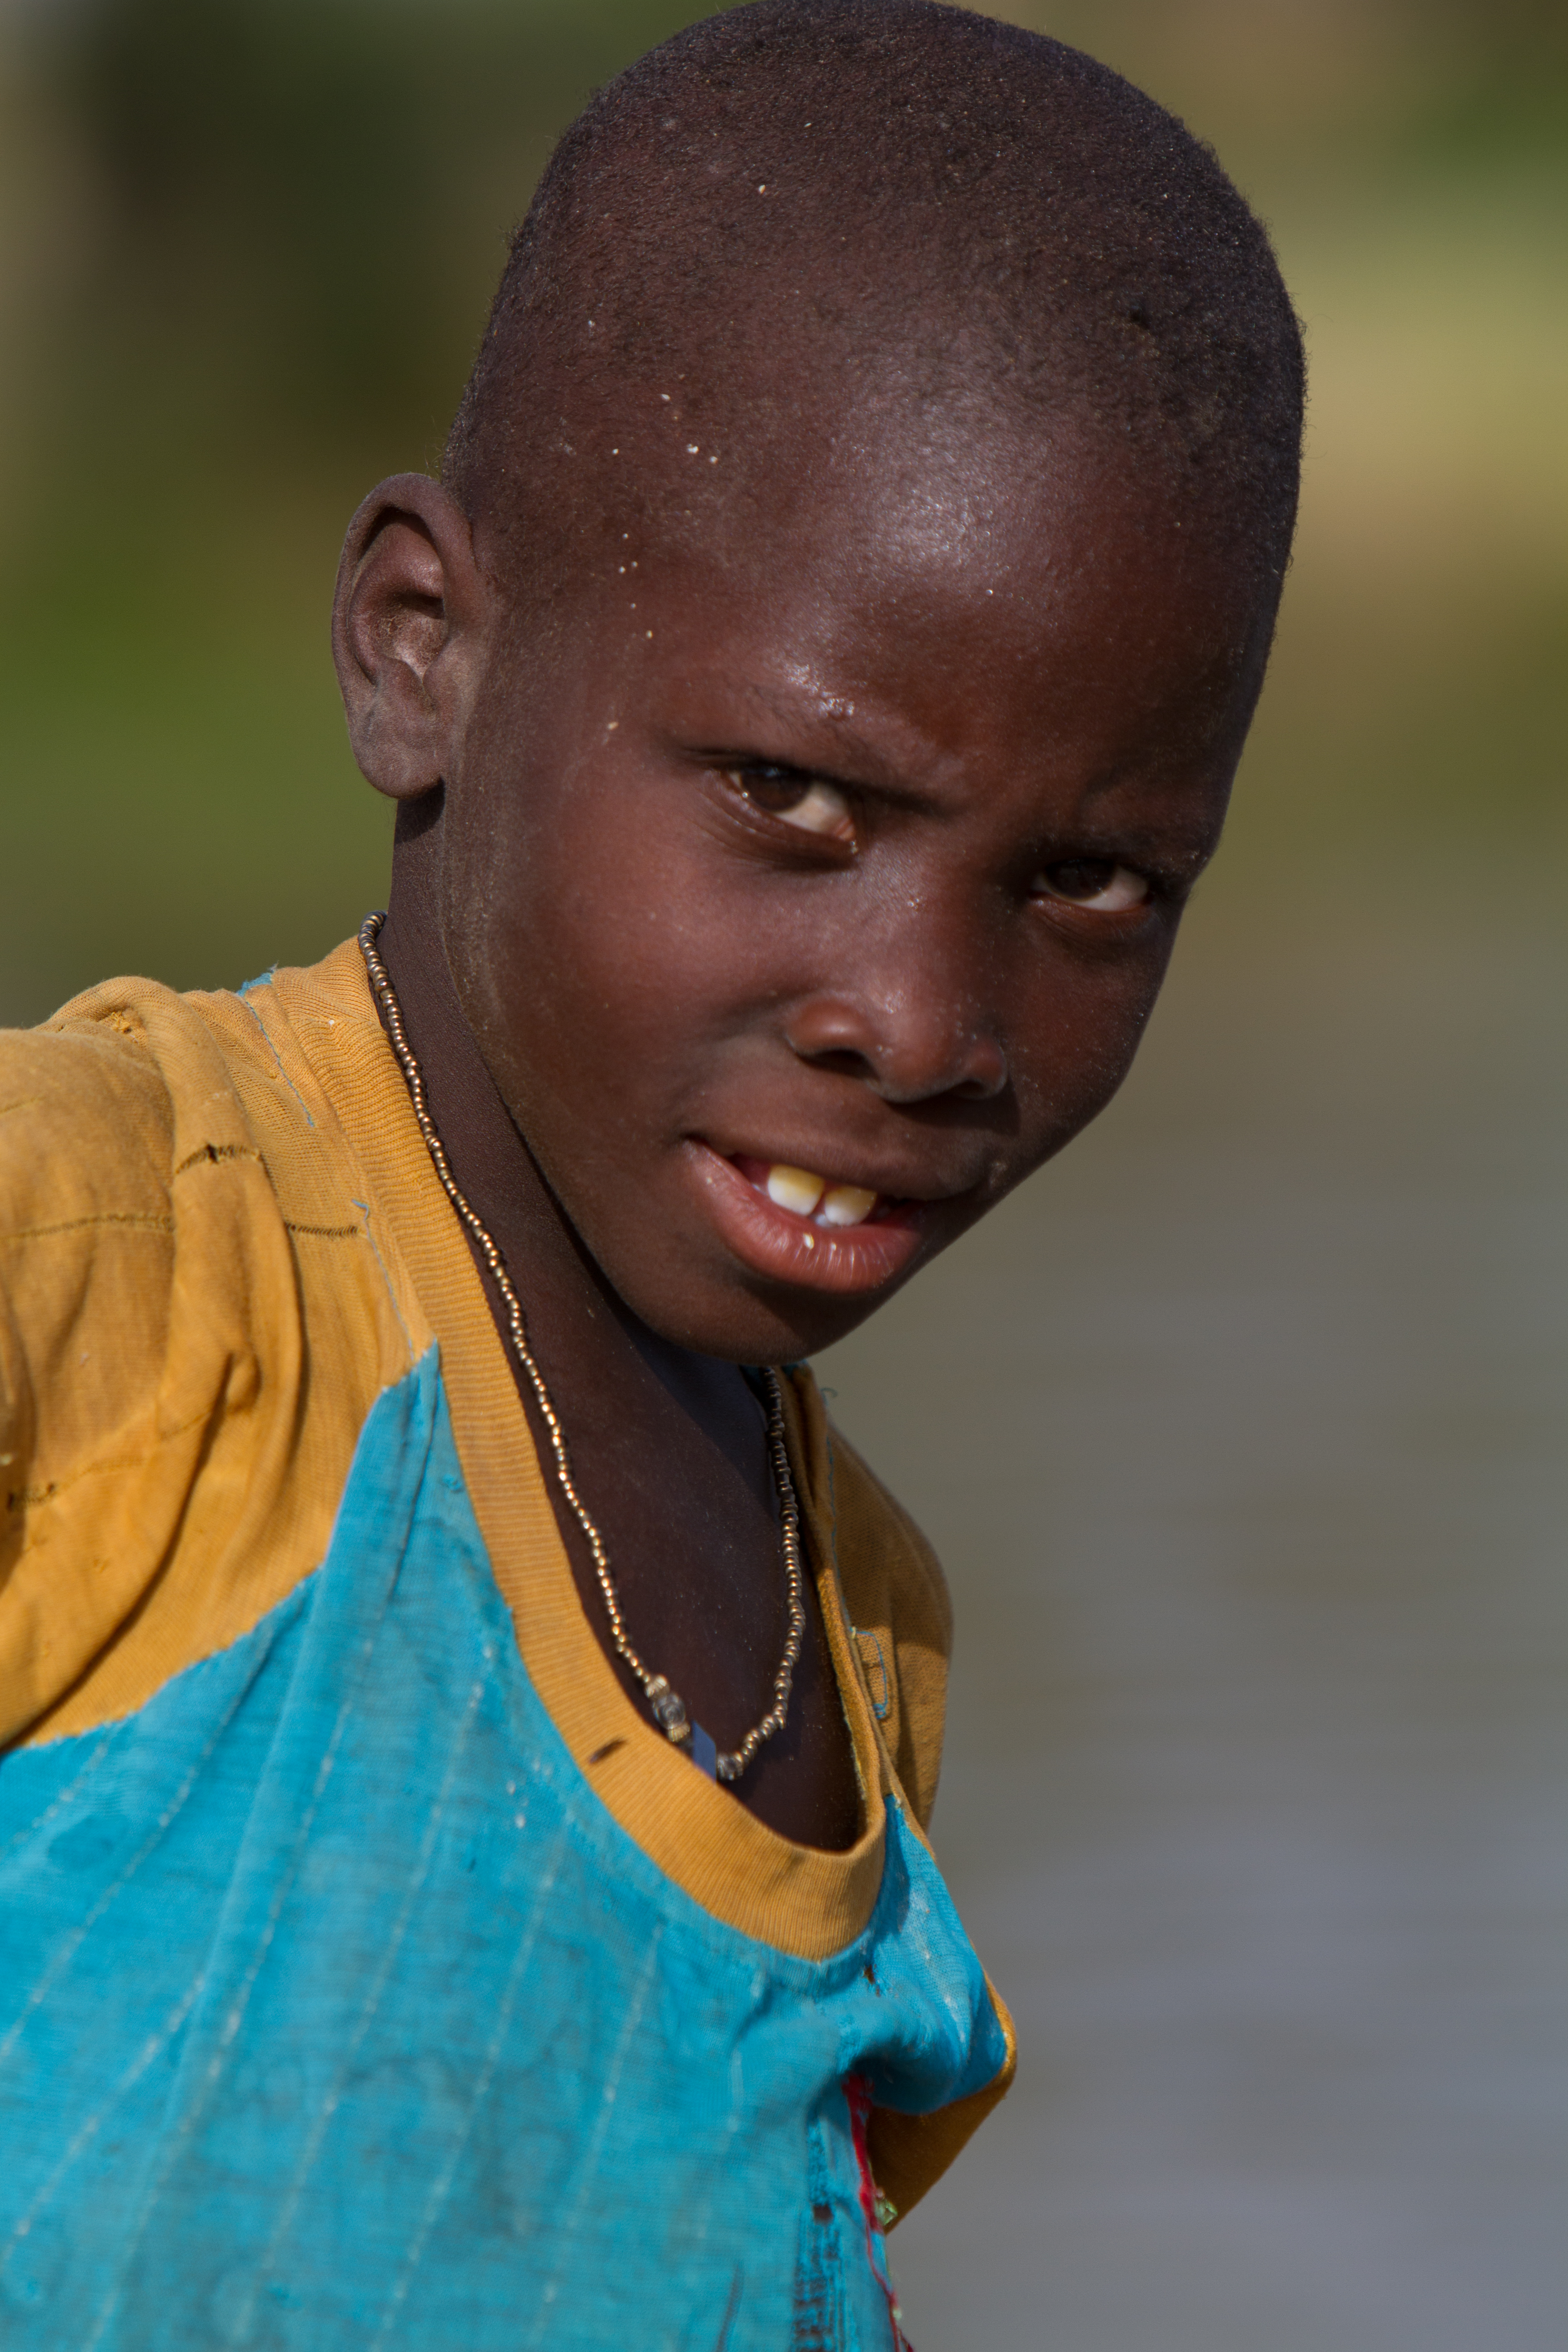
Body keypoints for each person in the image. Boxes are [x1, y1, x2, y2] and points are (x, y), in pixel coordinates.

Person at [0, 3, 1303, 2343]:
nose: (920, 1019)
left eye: (1098, 882)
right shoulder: (117, 1269)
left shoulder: (857, 1630)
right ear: (428, 656)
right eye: (799, 802)